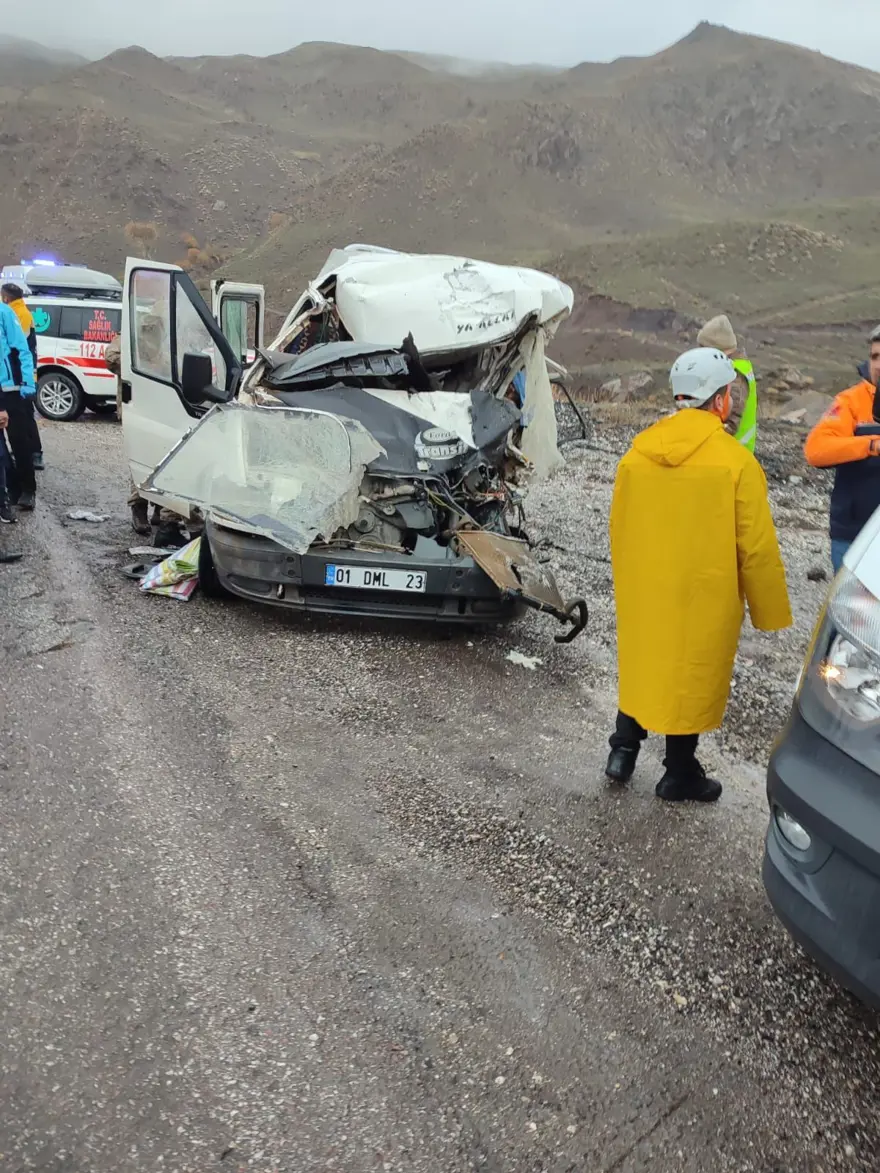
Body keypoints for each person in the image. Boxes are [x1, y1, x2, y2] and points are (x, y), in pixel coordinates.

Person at [605, 347, 792, 803]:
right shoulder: (736, 464)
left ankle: (622, 754)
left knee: (645, 666)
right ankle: (680, 772)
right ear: (722, 399)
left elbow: (619, 528)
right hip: (703, 595)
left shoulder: (637, 455)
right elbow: (756, 548)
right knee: (688, 676)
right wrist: (769, 612)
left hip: (648, 590)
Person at [804, 325, 880, 574]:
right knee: (851, 612)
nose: (878, 364)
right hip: (853, 534)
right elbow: (816, 450)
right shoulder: (850, 402)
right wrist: (870, 445)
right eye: (874, 356)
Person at [696, 314, 758, 453]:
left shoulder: (734, 375)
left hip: (733, 454)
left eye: (703, 348)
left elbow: (730, 423)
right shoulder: (734, 367)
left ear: (715, 349)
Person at [1, 284, 44, 471]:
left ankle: (35, 454)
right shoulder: (18, 311)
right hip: (19, 378)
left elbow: (21, 350)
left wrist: (26, 382)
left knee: (24, 420)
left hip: (18, 381)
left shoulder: (15, 314)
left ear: (6, 297)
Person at [0, 299, 37, 512]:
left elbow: (22, 349)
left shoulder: (5, 313)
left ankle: (28, 490)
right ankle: (11, 486)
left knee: (19, 441)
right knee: (1, 447)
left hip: (13, 388)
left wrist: (27, 383)